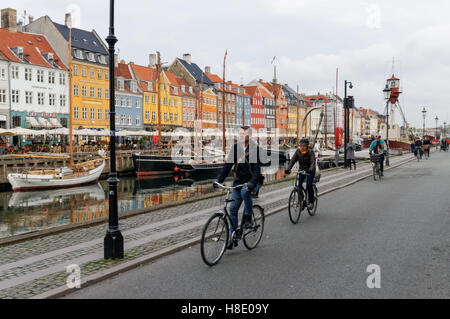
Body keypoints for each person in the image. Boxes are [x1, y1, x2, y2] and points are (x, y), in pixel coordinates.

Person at [214, 126, 262, 249]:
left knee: (245, 192)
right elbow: (228, 165)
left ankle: (248, 218)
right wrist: (219, 180)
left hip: (250, 181)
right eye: (239, 133)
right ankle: (233, 237)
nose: (240, 135)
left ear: (249, 136)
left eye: (243, 134)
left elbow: (257, 170)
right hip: (238, 181)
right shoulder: (235, 148)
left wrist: (252, 183)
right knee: (233, 209)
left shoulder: (255, 149)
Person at [285, 139, 316, 209]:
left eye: (304, 146)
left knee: (309, 185)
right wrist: (288, 169)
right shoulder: (298, 152)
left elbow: (312, 162)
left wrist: (310, 170)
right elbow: (292, 161)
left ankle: (311, 202)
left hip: (310, 170)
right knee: (298, 185)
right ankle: (301, 200)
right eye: (301, 146)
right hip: (301, 170)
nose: (302, 147)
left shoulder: (310, 152)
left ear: (307, 146)